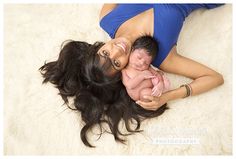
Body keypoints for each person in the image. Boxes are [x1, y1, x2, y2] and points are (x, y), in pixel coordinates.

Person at [39, 4, 224, 147]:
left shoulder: (107, 19)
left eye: (105, 53)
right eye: (117, 63)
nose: (117, 50)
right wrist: (168, 96)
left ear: (98, 48)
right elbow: (214, 77)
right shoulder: (163, 57)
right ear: (123, 70)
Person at [122, 35, 170, 102]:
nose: (141, 63)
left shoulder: (148, 68)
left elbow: (157, 75)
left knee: (147, 93)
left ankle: (160, 94)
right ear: (132, 50)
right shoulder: (124, 71)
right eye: (139, 57)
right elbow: (129, 85)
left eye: (146, 63)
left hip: (151, 90)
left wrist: (160, 84)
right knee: (145, 94)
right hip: (140, 96)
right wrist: (142, 76)